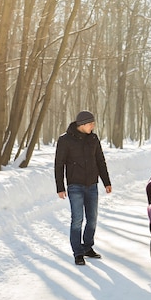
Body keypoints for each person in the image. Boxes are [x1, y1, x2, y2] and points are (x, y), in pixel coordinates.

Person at [55, 110, 112, 266]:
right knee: (77, 219)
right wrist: (60, 187)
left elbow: (100, 161)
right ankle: (78, 252)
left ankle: (87, 247)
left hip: (92, 185)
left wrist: (106, 182)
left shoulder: (93, 138)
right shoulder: (65, 140)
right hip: (75, 186)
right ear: (82, 124)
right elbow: (59, 165)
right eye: (91, 123)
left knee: (92, 219)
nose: (93, 126)